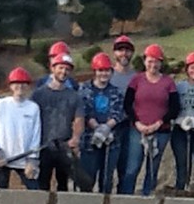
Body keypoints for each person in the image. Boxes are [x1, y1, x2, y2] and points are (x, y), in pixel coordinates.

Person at [120, 44, 179, 196]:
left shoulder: (168, 83)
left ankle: (147, 198)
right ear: (145, 61)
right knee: (132, 167)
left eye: (157, 61)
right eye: (150, 61)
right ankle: (126, 197)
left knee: (153, 167)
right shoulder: (136, 80)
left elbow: (174, 108)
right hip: (137, 130)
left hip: (161, 131)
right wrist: (137, 123)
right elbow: (127, 104)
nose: (153, 65)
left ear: (161, 63)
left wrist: (159, 123)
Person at [31, 53, 84, 191]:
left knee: (63, 184)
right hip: (43, 146)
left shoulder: (74, 96)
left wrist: (75, 138)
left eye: (67, 69)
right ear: (52, 68)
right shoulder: (38, 95)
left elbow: (79, 119)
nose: (63, 72)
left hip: (64, 146)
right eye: (60, 68)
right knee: (42, 183)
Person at [0, 67, 41, 190]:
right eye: (16, 83)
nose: (20, 86)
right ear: (10, 86)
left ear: (28, 86)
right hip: (3, 160)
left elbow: (36, 137)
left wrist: (32, 160)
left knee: (35, 192)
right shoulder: (1, 104)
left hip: (24, 161)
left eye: (23, 83)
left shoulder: (33, 108)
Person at [78, 52, 124, 193]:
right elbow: (84, 111)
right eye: (100, 70)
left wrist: (106, 128)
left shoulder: (116, 91)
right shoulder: (84, 89)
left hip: (111, 142)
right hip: (89, 141)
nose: (104, 74)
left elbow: (118, 113)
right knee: (87, 178)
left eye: (107, 71)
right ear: (95, 71)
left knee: (106, 179)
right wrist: (97, 128)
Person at [170, 52, 194, 192]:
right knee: (182, 164)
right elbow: (173, 107)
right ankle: (181, 190)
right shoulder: (180, 87)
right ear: (187, 70)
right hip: (181, 129)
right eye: (192, 68)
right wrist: (180, 120)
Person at [110, 34, 136, 184]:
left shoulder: (137, 77)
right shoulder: (108, 75)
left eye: (127, 50)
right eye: (120, 50)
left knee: (127, 168)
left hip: (130, 126)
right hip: (110, 126)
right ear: (115, 53)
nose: (124, 54)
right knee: (107, 167)